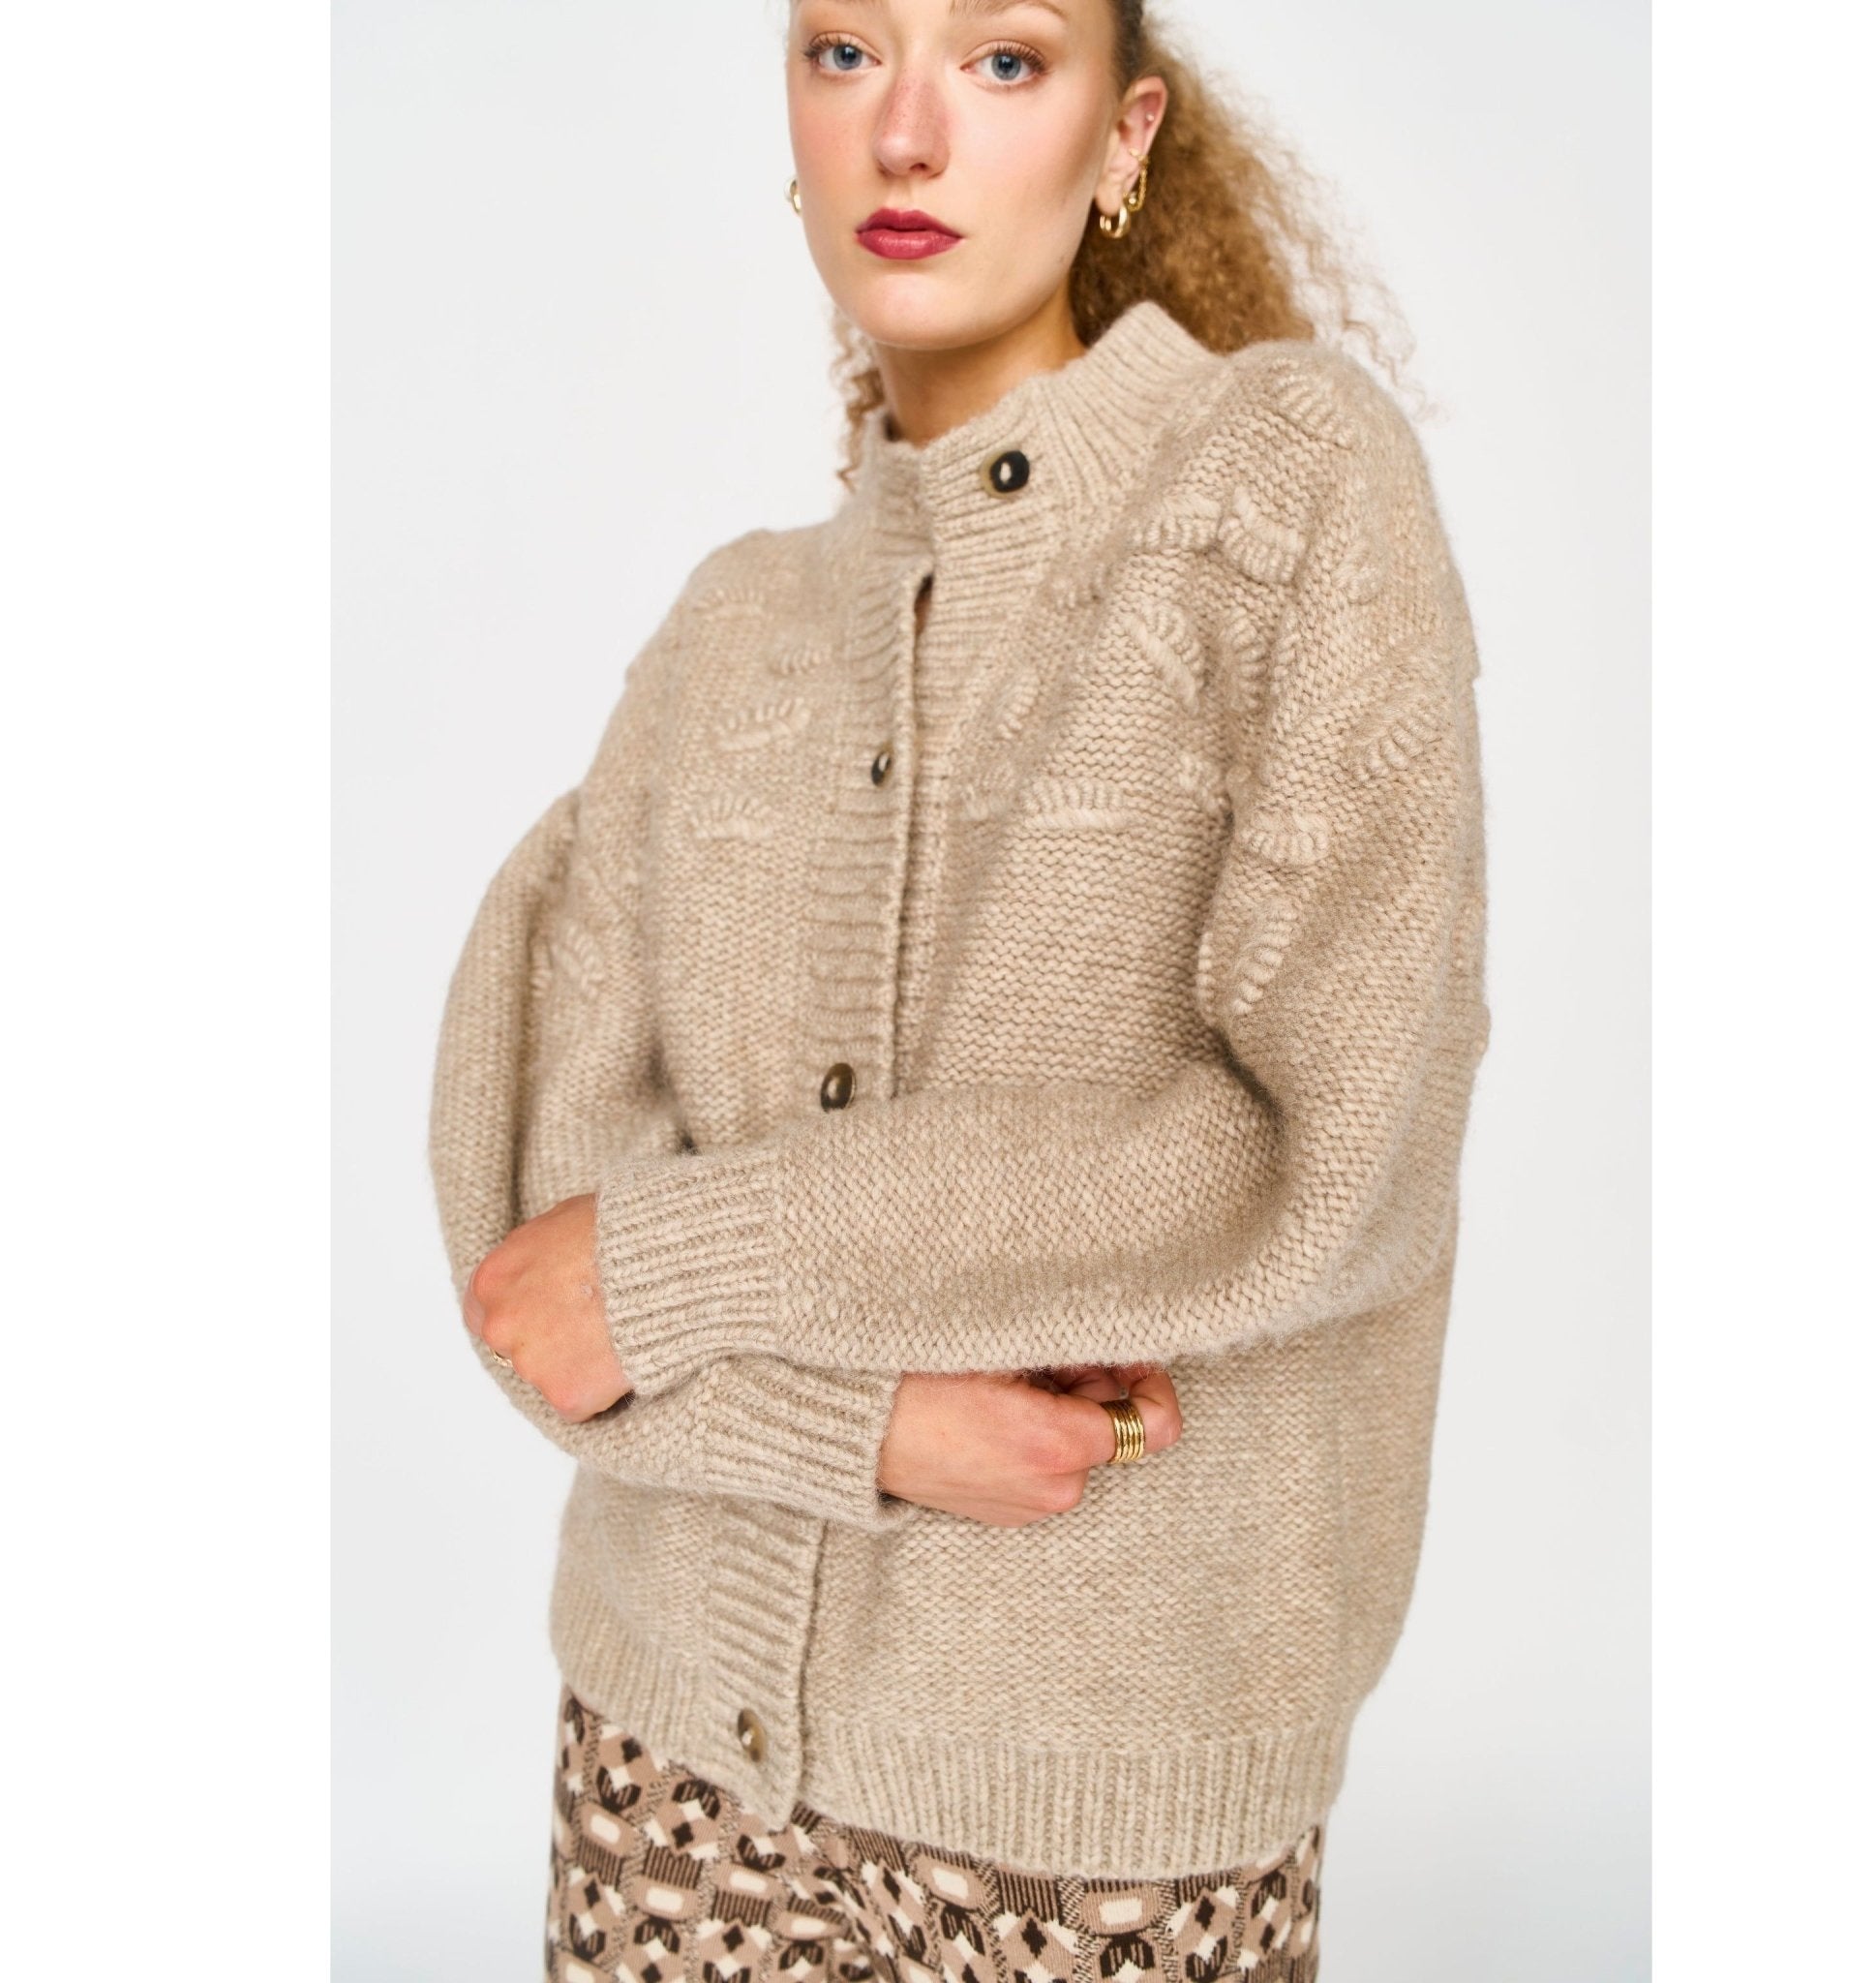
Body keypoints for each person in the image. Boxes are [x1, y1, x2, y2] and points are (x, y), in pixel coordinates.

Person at [427, 1, 1491, 1974]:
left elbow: (1319, 1152)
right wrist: (868, 1422)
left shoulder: (1281, 493)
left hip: (1094, 1824)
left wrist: (689, 1260)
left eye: (1003, 60)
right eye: (845, 52)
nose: (906, 133)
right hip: (660, 1772)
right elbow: (531, 1270)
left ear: (1125, 134)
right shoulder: (729, 630)